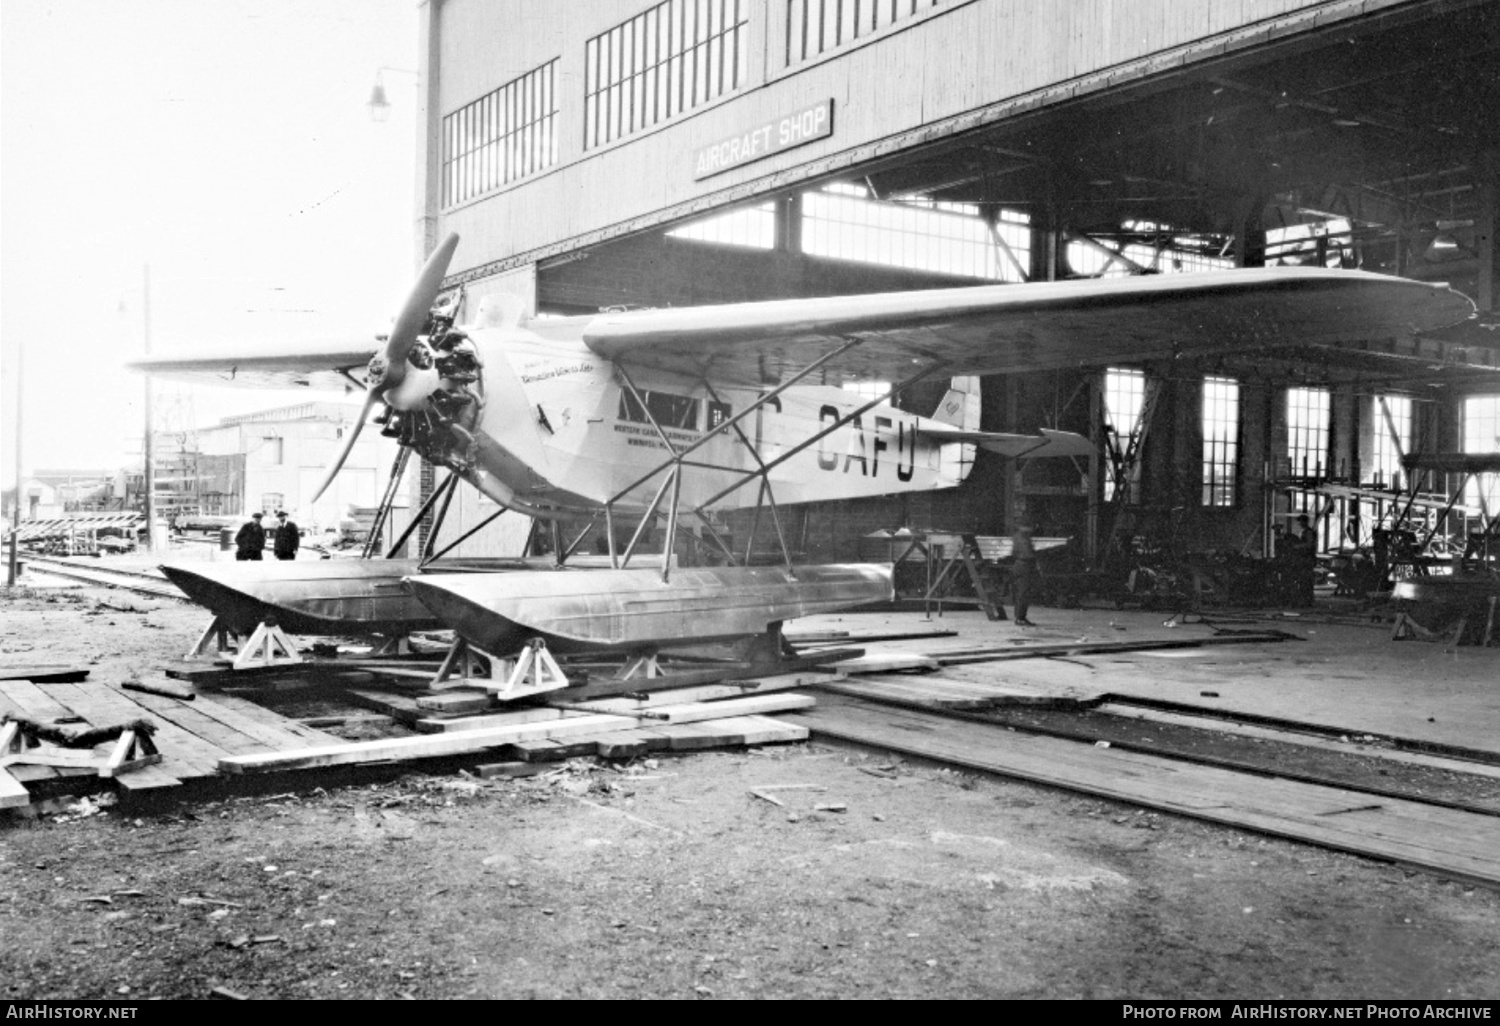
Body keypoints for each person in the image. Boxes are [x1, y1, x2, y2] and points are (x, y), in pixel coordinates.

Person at [1011, 522, 1038, 626]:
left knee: (1020, 592)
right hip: (1025, 566)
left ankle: (1019, 616)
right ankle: (1020, 618)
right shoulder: (1024, 538)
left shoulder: (1016, 536)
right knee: (1023, 592)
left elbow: (1014, 552)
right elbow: (1028, 553)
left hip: (1018, 564)